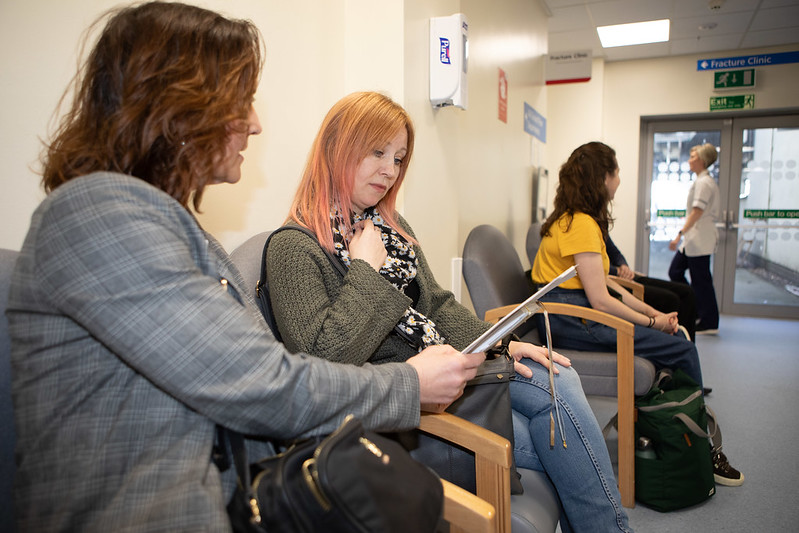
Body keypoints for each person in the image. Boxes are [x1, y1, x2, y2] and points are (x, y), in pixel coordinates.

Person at [7, 5, 484, 532]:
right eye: (241, 100)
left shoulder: (165, 224)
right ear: (176, 106)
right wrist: (409, 385)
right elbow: (262, 384)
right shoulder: (98, 217)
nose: (255, 124)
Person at [266, 91, 633, 532]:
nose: (390, 170)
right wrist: (366, 270)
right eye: (377, 152)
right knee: (556, 430)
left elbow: (436, 304)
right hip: (399, 406)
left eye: (399, 158)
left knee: (556, 377)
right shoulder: (293, 247)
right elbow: (323, 365)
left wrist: (505, 344)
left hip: (449, 373)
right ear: (336, 149)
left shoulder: (390, 228)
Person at [530, 141, 743, 487]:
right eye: (616, 173)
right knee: (682, 348)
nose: (619, 181)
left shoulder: (576, 220)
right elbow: (600, 301)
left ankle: (671, 427)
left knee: (674, 335)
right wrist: (650, 323)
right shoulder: (581, 224)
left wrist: (654, 313)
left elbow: (610, 288)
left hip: (575, 312)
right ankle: (704, 450)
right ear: (603, 179)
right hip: (571, 319)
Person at [668, 143, 721, 335]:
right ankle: (698, 310)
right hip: (695, 239)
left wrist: (679, 234)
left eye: (693, 157)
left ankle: (708, 320)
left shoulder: (704, 183)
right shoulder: (701, 181)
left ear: (702, 160)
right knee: (676, 271)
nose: (689, 160)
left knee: (701, 280)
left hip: (699, 238)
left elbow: (697, 212)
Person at [605, 235, 698, 340]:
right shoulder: (587, 225)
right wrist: (617, 271)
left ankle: (687, 343)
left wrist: (623, 266)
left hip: (628, 278)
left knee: (687, 292)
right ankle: (675, 345)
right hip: (615, 282)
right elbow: (596, 268)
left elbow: (615, 253)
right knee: (670, 299)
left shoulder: (600, 226)